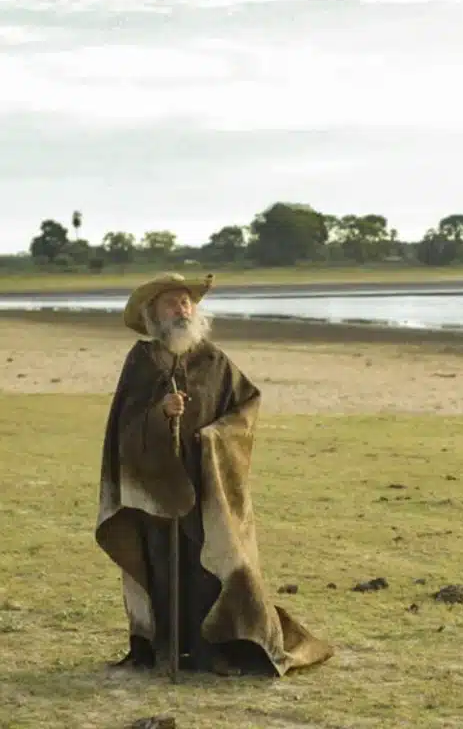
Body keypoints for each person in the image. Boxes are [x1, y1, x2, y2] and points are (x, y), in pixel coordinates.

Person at [95, 272, 334, 676]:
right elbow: (124, 425)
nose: (182, 309)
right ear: (153, 314)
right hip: (153, 488)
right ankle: (166, 649)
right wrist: (159, 414)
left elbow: (246, 406)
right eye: (171, 303)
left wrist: (214, 437)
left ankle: (212, 650)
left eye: (186, 301)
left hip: (207, 485)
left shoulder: (214, 361)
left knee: (207, 566)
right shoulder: (141, 361)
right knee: (161, 566)